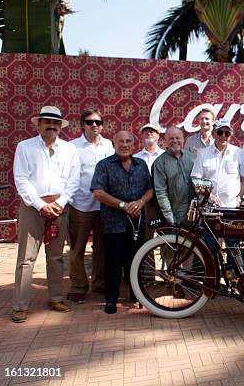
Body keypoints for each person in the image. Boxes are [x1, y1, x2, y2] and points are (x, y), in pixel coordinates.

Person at [12, 106, 80, 323]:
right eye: (47, 122)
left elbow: (73, 181)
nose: (52, 126)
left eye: (56, 123)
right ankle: (20, 305)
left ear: (61, 126)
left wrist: (59, 203)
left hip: (59, 208)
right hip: (33, 208)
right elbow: (21, 179)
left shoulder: (69, 150)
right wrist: (41, 205)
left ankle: (56, 298)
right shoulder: (25, 147)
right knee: (26, 259)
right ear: (38, 124)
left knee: (57, 257)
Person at [91, 131, 153, 314]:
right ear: (114, 143)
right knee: (113, 262)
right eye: (121, 141)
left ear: (134, 144)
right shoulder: (104, 165)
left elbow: (150, 189)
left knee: (135, 260)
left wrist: (140, 202)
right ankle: (111, 299)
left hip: (136, 221)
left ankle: (136, 295)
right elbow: (97, 192)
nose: (125, 144)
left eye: (128, 141)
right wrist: (123, 205)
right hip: (113, 222)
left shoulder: (141, 164)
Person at [67, 108, 114, 303]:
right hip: (80, 204)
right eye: (89, 122)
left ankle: (99, 283)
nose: (94, 125)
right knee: (77, 248)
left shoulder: (109, 145)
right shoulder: (72, 147)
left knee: (101, 248)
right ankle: (79, 286)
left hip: (103, 206)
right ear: (82, 125)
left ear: (102, 125)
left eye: (97, 122)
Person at [192, 120, 244, 207]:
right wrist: (209, 196)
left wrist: (240, 197)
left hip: (232, 206)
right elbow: (196, 180)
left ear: (230, 136)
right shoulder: (202, 153)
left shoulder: (239, 153)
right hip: (208, 206)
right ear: (213, 134)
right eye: (220, 132)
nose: (223, 136)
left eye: (227, 133)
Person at [153, 126, 195, 225]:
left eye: (177, 138)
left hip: (194, 215)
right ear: (165, 141)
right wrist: (170, 218)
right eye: (171, 138)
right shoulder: (160, 163)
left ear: (183, 139)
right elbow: (161, 192)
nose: (175, 141)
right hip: (174, 216)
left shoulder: (192, 158)